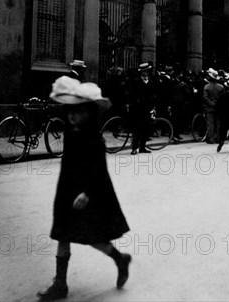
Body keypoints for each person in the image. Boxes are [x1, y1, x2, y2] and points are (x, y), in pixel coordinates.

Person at [38, 76, 131, 301]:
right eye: (70, 111)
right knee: (63, 234)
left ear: (89, 113)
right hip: (67, 191)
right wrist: (66, 191)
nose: (72, 115)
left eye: (78, 111)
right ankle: (60, 284)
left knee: (93, 238)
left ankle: (119, 259)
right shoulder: (71, 135)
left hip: (89, 194)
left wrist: (86, 193)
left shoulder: (95, 142)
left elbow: (99, 172)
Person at [128, 63, 156, 154]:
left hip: (147, 109)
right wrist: (136, 100)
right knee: (137, 129)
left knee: (145, 129)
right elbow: (131, 94)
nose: (145, 74)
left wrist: (153, 107)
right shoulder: (136, 82)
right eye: (143, 72)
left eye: (146, 72)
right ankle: (134, 148)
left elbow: (153, 96)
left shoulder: (151, 82)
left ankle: (142, 147)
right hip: (138, 109)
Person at [203, 68, 224, 144]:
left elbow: (205, 97)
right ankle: (218, 138)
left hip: (209, 107)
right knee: (218, 123)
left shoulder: (206, 87)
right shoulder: (221, 87)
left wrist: (211, 104)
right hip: (218, 107)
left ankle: (211, 139)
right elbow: (222, 97)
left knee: (210, 123)